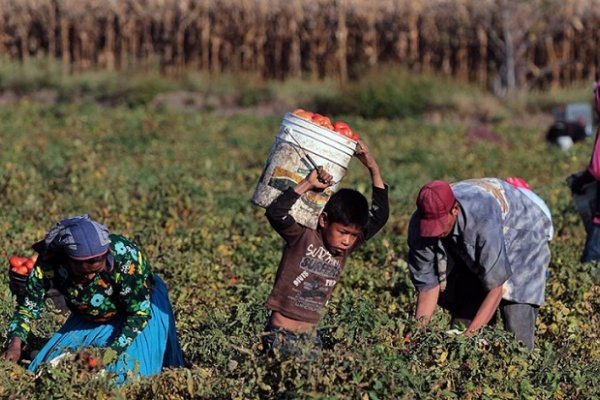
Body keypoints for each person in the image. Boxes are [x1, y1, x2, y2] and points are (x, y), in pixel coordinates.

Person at [2, 215, 184, 383]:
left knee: (127, 376)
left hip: (138, 309)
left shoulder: (125, 258)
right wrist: (16, 342)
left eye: (95, 271)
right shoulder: (49, 263)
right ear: (67, 259)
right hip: (89, 314)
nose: (90, 278)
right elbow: (28, 307)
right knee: (45, 371)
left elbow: (138, 314)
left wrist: (109, 355)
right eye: (83, 272)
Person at [262, 140, 389, 357]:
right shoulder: (302, 237)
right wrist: (307, 183)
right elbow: (276, 213)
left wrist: (372, 167)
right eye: (343, 232)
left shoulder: (345, 249)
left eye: (353, 235)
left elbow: (379, 215)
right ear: (324, 220)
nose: (348, 241)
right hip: (281, 335)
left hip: (312, 338)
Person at [406, 178, 553, 349]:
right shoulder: (420, 225)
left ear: (454, 210)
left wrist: (470, 336)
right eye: (429, 226)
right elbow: (428, 287)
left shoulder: (482, 217)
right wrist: (417, 332)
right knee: (465, 315)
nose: (434, 231)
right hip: (479, 233)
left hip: (524, 232)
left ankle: (522, 368)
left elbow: (496, 287)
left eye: (439, 224)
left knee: (516, 320)